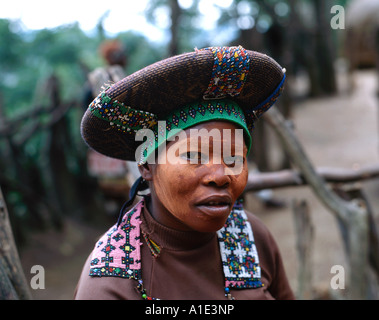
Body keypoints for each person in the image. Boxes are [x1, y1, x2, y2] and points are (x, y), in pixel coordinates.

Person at [75, 46, 295, 300]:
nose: (221, 176)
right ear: (146, 165)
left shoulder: (251, 236)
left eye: (234, 158)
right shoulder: (110, 280)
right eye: (194, 156)